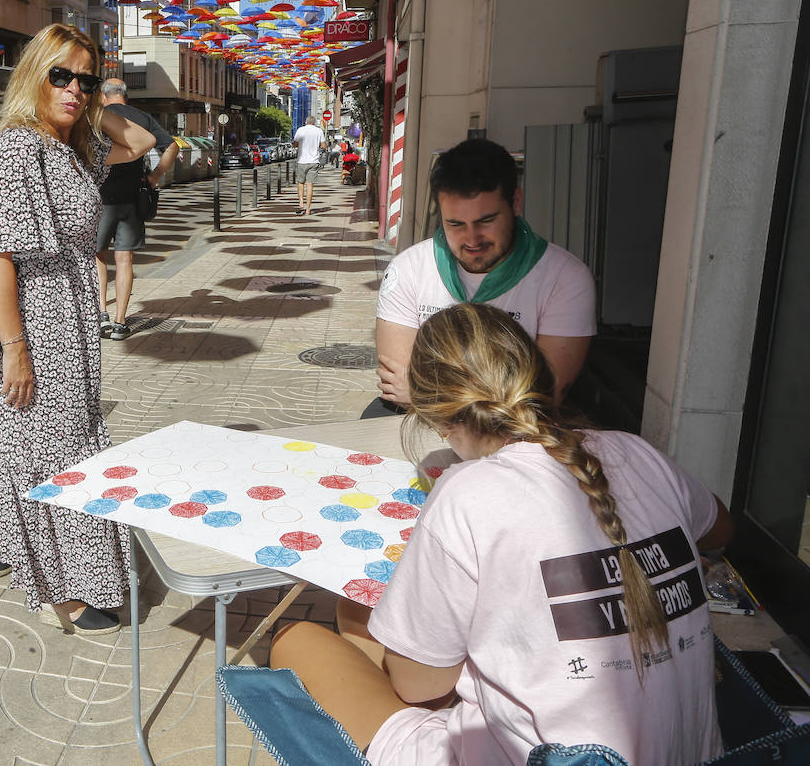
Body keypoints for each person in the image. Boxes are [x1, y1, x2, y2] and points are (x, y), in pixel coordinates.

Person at [271, 302, 734, 765]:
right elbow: (721, 526)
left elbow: (418, 685)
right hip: (691, 752)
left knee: (300, 638)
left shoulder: (464, 494)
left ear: (437, 416)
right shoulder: (638, 452)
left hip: (538, 756)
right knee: (371, 619)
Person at [0, 24, 162, 636]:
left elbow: (143, 138)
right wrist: (16, 352)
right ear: (34, 75)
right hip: (36, 322)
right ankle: (66, 588)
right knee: (59, 451)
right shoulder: (18, 149)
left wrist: (97, 104)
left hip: (71, 314)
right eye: (60, 76)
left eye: (85, 80)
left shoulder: (74, 148)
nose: (73, 89)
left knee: (24, 442)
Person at [370, 137, 594, 417]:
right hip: (425, 423)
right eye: (455, 224)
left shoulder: (566, 278)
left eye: (486, 221)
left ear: (516, 202)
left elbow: (541, 400)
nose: (472, 239)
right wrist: (497, 394)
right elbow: (396, 386)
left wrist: (424, 392)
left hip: (517, 438)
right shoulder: (408, 269)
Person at [95, 78, 180, 340]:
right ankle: (121, 322)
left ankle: (101, 314)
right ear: (125, 96)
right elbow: (172, 146)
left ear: (103, 97)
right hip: (132, 197)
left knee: (98, 256)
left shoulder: (99, 116)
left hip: (100, 196)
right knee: (125, 259)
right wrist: (155, 176)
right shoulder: (142, 117)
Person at [293, 116, 325, 216]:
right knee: (310, 185)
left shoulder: (300, 130)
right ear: (314, 123)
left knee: (300, 183)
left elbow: (295, 144)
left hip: (302, 160)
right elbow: (324, 146)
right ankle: (308, 209)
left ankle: (301, 203)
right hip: (313, 161)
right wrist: (316, 145)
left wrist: (302, 145)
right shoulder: (319, 131)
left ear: (306, 122)